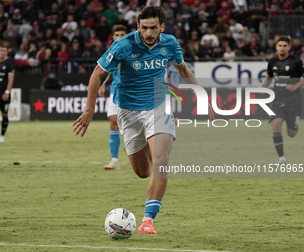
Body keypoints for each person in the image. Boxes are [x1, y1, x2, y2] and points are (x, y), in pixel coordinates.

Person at [73, 6, 214, 234]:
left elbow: (184, 70)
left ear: (162, 27)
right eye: (145, 28)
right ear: (138, 26)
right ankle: (151, 149)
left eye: (154, 28)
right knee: (142, 172)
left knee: (161, 161)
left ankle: (148, 220)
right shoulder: (123, 45)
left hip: (159, 106)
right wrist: (89, 110)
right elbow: (97, 74)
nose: (149, 33)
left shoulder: (169, 43)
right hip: (128, 112)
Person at [260, 35, 304, 165]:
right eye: (280, 46)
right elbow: (268, 78)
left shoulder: (296, 62)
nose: (282, 48)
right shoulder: (272, 61)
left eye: (285, 46)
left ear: (289, 47)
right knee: (276, 126)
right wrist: (262, 87)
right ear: (276, 47)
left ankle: (293, 124)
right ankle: (282, 159)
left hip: (293, 101)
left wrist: (295, 86)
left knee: (291, 133)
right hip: (277, 99)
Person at [98, 25, 127, 170]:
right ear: (113, 37)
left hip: (130, 93)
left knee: (130, 125)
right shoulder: (112, 52)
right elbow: (109, 70)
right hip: (115, 92)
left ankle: (136, 152)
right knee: (113, 122)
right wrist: (103, 84)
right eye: (117, 35)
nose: (120, 37)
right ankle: (114, 160)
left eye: (123, 34)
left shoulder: (131, 50)